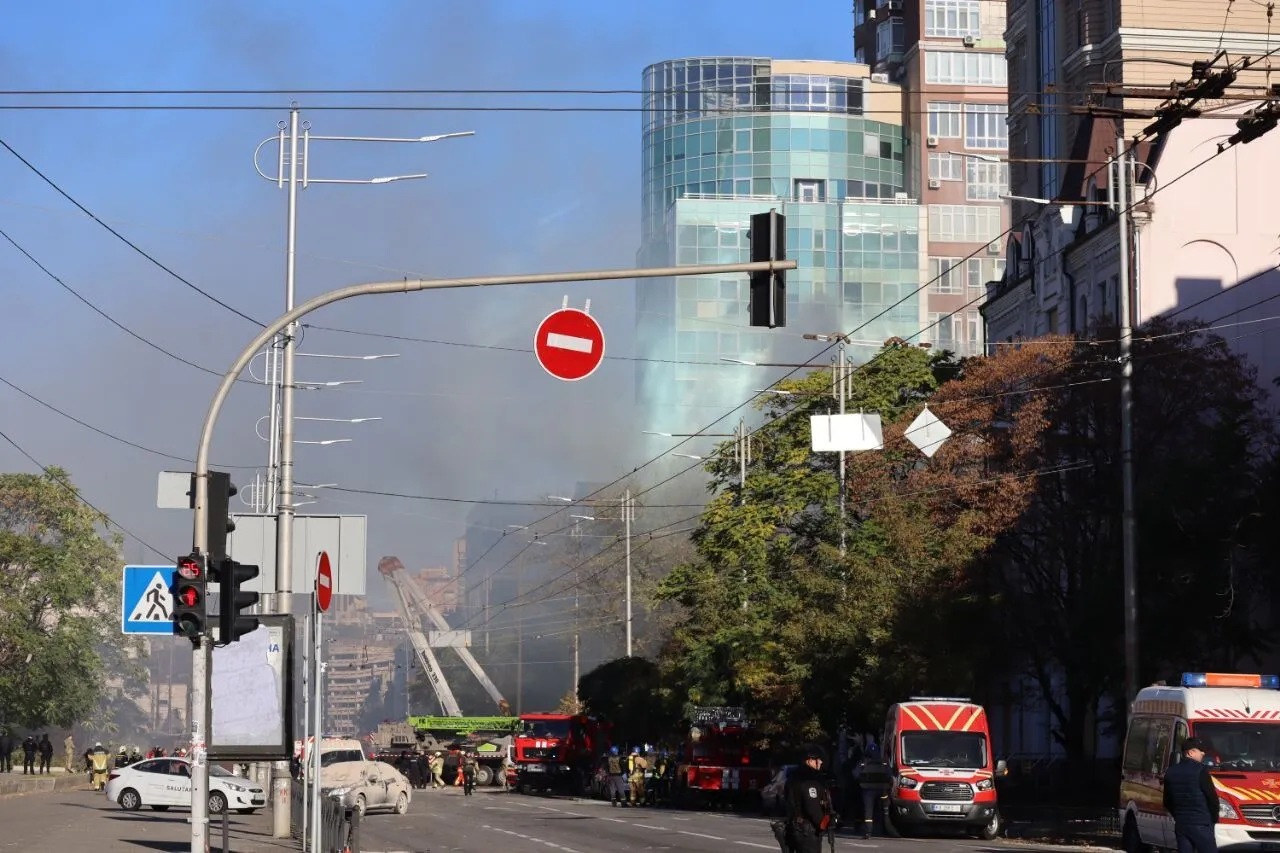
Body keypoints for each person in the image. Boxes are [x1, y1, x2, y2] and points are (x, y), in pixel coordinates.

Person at [1163, 737, 1219, 853]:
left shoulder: (1171, 771)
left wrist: (1178, 815)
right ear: (1190, 753)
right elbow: (1212, 798)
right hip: (1201, 823)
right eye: (1200, 750)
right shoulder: (1201, 770)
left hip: (1181, 824)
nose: (1203, 753)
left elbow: (1167, 801)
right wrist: (1213, 818)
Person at [782, 744, 835, 853]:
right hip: (807, 832)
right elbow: (812, 808)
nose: (820, 762)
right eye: (817, 759)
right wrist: (825, 823)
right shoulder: (810, 782)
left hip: (795, 829)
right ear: (809, 761)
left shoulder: (793, 779)